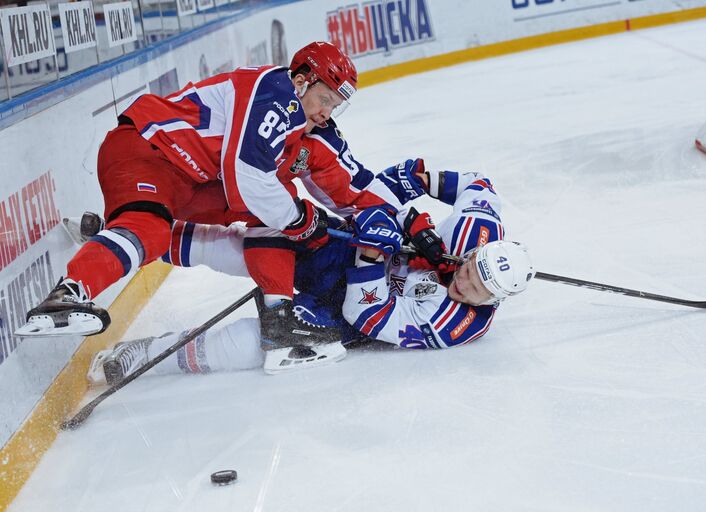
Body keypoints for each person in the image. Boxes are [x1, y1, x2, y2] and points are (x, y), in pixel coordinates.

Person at [17, 42, 412, 350]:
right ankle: (67, 294)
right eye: (325, 99)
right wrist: (300, 219)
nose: (328, 113)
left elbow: (354, 188)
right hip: (146, 148)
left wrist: (402, 224)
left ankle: (278, 315)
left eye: (336, 107)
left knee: (269, 211)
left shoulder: (311, 131)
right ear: (303, 79)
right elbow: (249, 177)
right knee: (156, 227)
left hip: (195, 181)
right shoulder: (275, 91)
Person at [87, 167, 535, 379]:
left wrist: (370, 255)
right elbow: (478, 183)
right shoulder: (479, 229)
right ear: (478, 251)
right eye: (471, 269)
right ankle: (126, 237)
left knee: (259, 339)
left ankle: (146, 356)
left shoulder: (457, 325)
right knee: (245, 244)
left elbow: (369, 318)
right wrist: (402, 200)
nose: (464, 282)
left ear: (493, 302)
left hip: (345, 312)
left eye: (476, 290)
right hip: (347, 254)